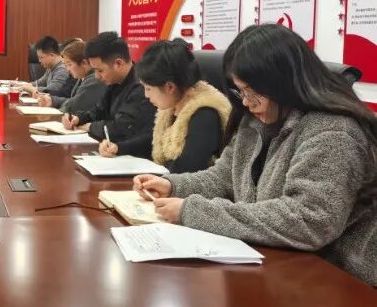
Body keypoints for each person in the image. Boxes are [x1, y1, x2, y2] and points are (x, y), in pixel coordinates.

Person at [133, 24, 377, 286]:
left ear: (284, 82)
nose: (246, 102)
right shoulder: (256, 118)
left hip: (336, 278)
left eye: (253, 91)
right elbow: (225, 177)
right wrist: (173, 186)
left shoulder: (333, 131)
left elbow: (309, 220)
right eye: (241, 91)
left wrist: (192, 211)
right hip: (275, 261)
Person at [138, 39, 231, 173]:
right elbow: (157, 140)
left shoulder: (205, 114)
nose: (146, 95)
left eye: (148, 88)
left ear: (169, 87)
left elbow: (188, 168)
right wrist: (119, 147)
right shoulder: (175, 103)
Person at [62, 32, 156, 159]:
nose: (96, 76)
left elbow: (120, 129)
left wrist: (89, 126)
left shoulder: (141, 87)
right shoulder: (115, 81)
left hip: (135, 158)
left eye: (100, 70)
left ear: (118, 63)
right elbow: (99, 110)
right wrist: (78, 118)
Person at [37, 39, 106, 116]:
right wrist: (52, 100)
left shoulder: (93, 80)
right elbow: (72, 100)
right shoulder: (82, 77)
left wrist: (56, 108)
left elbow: (73, 106)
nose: (67, 69)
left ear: (84, 63)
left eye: (69, 64)